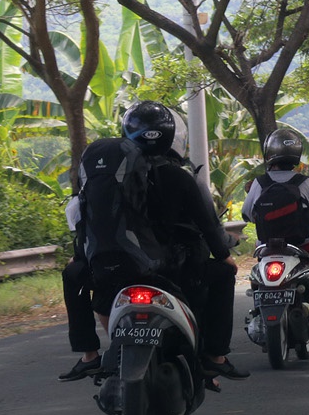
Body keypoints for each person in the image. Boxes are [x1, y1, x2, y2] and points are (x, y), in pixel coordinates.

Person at [58, 102, 248, 383]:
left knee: (72, 274)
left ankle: (89, 356)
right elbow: (209, 226)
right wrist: (224, 255)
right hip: (174, 270)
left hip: (118, 269)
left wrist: (82, 258)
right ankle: (215, 357)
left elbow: (85, 221)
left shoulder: (108, 178)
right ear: (171, 137)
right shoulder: (180, 177)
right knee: (223, 274)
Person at [240, 126, 309, 321]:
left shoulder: (259, 183)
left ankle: (260, 307)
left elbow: (246, 213)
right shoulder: (302, 182)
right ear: (296, 154)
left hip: (266, 245)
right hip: (303, 243)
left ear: (269, 153)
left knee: (259, 267)